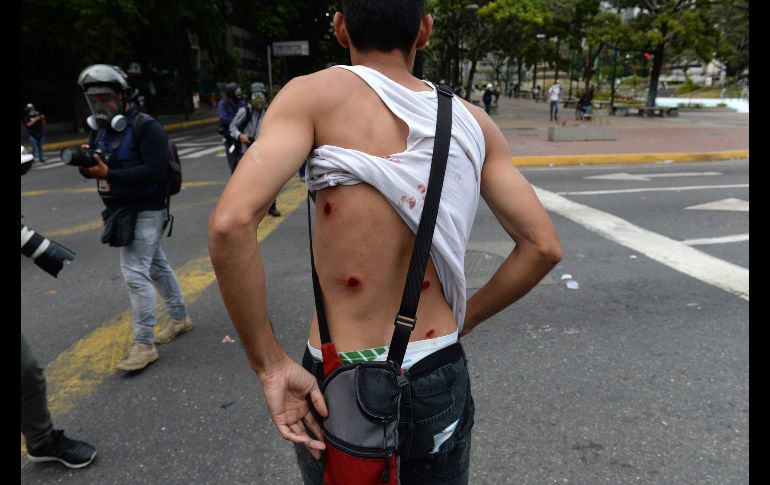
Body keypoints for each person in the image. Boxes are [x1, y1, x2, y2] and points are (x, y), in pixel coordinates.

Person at [208, 0, 562, 483]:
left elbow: (230, 224)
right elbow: (542, 247)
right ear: (424, 32)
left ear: (339, 28)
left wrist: (270, 365)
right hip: (436, 365)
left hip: (337, 375)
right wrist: (467, 319)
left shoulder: (311, 97)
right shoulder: (474, 124)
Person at [75, 64, 192, 372]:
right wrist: (90, 167)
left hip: (148, 208)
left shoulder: (146, 127)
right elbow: (98, 169)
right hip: (120, 209)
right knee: (156, 265)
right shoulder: (98, 129)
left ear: (123, 96)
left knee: (133, 271)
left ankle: (143, 344)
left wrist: (109, 172)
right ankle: (180, 318)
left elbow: (154, 171)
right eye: (94, 99)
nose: (101, 105)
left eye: (106, 98)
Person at [229, 82, 281, 217]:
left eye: (261, 95)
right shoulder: (244, 111)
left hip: (264, 151)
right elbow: (232, 127)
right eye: (255, 95)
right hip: (246, 151)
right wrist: (240, 136)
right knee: (246, 181)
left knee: (270, 180)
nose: (258, 98)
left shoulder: (269, 112)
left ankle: (271, 206)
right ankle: (246, 208)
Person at [217, 82, 247, 174]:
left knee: (245, 160)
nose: (239, 94)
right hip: (230, 139)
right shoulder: (223, 104)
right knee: (233, 160)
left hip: (241, 137)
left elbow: (246, 113)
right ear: (230, 93)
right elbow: (223, 117)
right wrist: (235, 122)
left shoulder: (241, 103)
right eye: (236, 92)